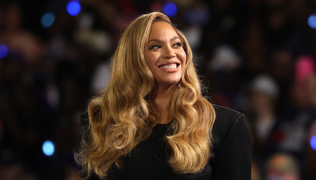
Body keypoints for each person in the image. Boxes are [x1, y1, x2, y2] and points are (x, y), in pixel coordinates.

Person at [74, 12, 252, 180]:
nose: (170, 53)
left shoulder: (227, 126)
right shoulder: (100, 122)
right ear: (133, 59)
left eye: (176, 44)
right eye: (156, 46)